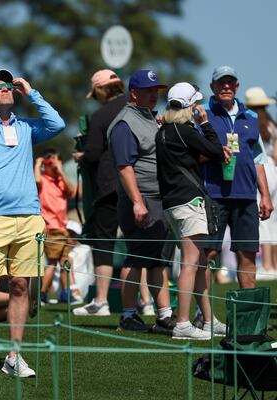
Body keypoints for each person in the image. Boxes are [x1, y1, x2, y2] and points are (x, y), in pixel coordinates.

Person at [0, 69, 65, 377]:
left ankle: (14, 355)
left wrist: (32, 92)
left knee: (21, 286)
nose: (5, 89)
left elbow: (57, 124)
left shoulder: (26, 127)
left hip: (29, 218)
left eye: (9, 85)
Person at [156, 82, 228, 340]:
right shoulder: (185, 130)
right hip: (189, 202)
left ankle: (208, 320)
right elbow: (217, 151)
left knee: (198, 263)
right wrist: (206, 123)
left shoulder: (163, 131)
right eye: (195, 104)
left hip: (173, 203)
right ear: (190, 106)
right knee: (190, 263)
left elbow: (186, 159)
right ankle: (183, 323)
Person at [107, 69, 174, 333]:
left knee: (158, 259)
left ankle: (165, 314)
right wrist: (137, 201)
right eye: (148, 90)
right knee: (136, 258)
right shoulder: (125, 123)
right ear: (133, 93)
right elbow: (125, 167)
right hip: (142, 198)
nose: (154, 94)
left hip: (158, 198)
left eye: (156, 90)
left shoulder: (148, 118)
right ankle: (129, 315)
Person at [202, 66, 274, 289]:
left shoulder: (250, 116)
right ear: (212, 86)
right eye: (221, 83)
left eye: (230, 82)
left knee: (247, 255)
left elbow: (259, 159)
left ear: (236, 86)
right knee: (208, 254)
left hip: (245, 196)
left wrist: (265, 196)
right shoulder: (202, 113)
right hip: (214, 194)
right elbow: (192, 153)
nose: (226, 86)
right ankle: (203, 316)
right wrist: (214, 153)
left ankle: (248, 318)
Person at [73, 69, 126, 317]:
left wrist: (81, 156)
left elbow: (93, 153)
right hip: (142, 184)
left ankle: (101, 301)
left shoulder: (101, 115)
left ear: (101, 91)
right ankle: (146, 302)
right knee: (141, 246)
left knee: (103, 242)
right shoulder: (139, 108)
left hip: (109, 185)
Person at [34, 149, 78, 304]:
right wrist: (38, 164)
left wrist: (61, 171)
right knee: (52, 262)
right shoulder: (43, 180)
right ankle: (42, 294)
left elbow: (72, 191)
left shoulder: (60, 180)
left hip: (63, 227)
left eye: (57, 162)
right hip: (51, 228)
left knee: (65, 261)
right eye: (51, 163)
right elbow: (37, 181)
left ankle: (66, 293)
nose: (54, 167)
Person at [244, 87, 277, 279]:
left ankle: (266, 265)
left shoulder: (251, 124)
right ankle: (274, 265)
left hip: (262, 170)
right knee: (273, 219)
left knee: (263, 219)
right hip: (274, 171)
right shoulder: (272, 126)